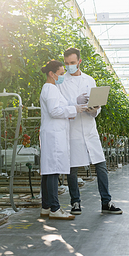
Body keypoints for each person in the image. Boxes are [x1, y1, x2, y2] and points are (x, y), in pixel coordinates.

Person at [58, 47, 122, 215]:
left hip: (89, 127)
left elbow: (96, 103)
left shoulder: (89, 80)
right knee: (72, 168)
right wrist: (75, 102)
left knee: (101, 165)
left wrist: (94, 110)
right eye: (67, 64)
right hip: (72, 129)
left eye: (72, 63)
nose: (69, 66)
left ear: (79, 61)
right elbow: (61, 106)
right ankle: (75, 203)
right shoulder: (61, 81)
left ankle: (106, 202)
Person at [39, 60, 87, 220]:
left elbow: (62, 106)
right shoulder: (51, 89)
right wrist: (74, 109)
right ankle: (55, 208)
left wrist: (76, 104)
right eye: (60, 74)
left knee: (48, 171)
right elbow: (54, 111)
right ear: (52, 74)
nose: (62, 77)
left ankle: (46, 206)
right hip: (54, 135)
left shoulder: (52, 88)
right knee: (52, 170)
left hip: (53, 134)